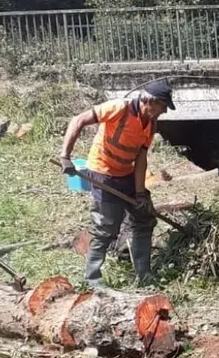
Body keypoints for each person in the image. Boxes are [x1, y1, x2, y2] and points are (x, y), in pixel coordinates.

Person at [59, 79, 175, 287]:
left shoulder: (150, 123)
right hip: (102, 171)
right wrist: (65, 156)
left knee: (144, 215)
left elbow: (141, 159)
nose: (164, 111)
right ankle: (92, 279)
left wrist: (140, 193)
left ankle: (143, 275)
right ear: (150, 101)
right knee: (106, 226)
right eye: (163, 106)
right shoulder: (119, 108)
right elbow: (78, 120)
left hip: (126, 173)